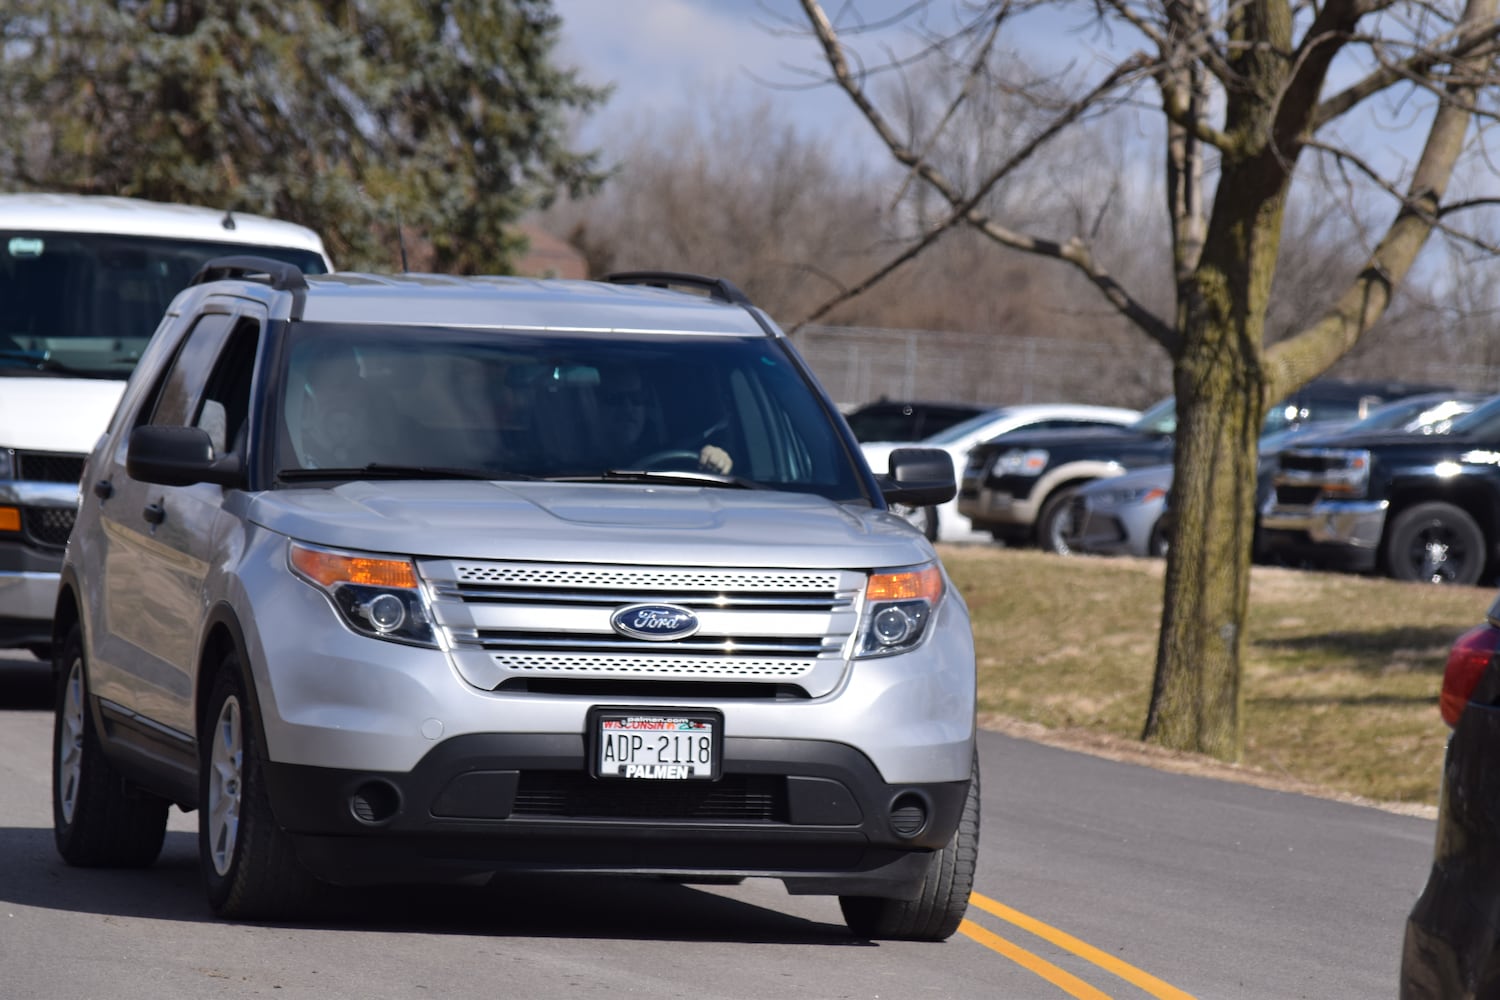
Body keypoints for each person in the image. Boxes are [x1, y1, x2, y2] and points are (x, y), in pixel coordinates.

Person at [598, 366, 733, 474]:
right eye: (614, 399)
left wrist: (716, 459)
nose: (628, 408)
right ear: (594, 406)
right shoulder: (578, 466)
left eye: (636, 398)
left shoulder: (671, 458)